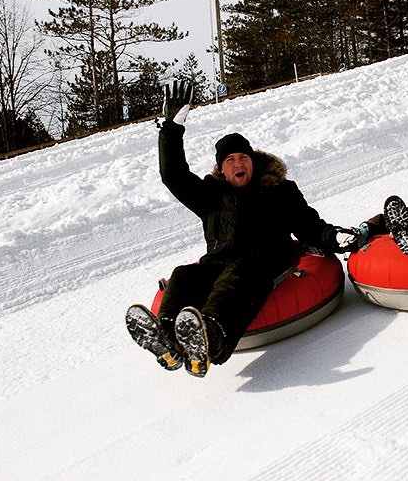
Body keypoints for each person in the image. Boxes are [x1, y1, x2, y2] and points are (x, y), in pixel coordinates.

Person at [126, 80, 360, 378]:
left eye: (243, 158)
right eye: (231, 160)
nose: (238, 163)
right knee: (185, 274)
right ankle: (167, 339)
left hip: (265, 261)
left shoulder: (279, 190)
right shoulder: (209, 196)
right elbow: (172, 175)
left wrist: (336, 237)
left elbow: (308, 225)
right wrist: (171, 128)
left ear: (253, 163)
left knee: (239, 273)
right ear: (221, 169)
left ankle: (211, 337)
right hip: (219, 263)